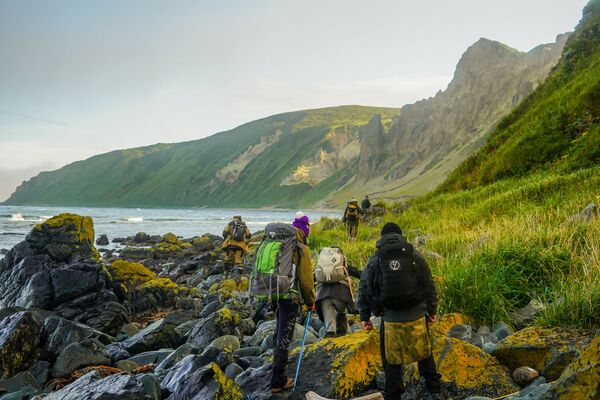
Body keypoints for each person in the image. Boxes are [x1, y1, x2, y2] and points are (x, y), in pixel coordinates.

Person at [358, 222, 443, 400]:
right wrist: (432, 310)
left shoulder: (375, 259)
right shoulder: (414, 255)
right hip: (417, 315)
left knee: (390, 361)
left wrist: (365, 317)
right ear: (400, 235)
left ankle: (394, 395)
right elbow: (429, 285)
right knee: (425, 354)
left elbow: (364, 288)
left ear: (382, 238)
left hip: (389, 319)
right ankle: (435, 390)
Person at [269, 222, 316, 393]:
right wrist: (310, 301)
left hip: (272, 292)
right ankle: (277, 379)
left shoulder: (278, 241)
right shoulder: (300, 247)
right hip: (290, 295)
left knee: (279, 329)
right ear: (305, 232)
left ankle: (275, 367)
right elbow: (305, 279)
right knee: (284, 335)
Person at [314, 246, 355, 338]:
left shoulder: (321, 265)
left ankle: (330, 335)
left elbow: (313, 279)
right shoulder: (341, 264)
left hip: (323, 296)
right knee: (341, 313)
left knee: (329, 326)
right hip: (341, 296)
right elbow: (354, 272)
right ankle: (342, 337)